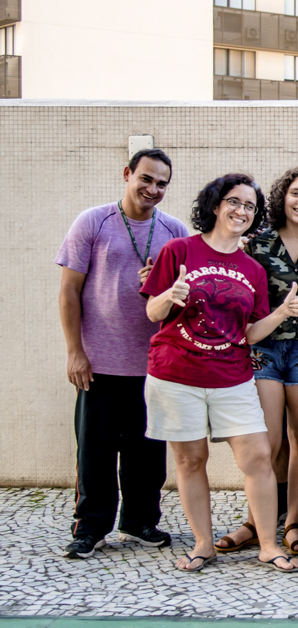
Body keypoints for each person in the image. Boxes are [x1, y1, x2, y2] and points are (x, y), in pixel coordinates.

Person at [140, 173, 298, 573]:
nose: (241, 211)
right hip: (176, 373)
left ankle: (268, 544)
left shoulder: (252, 269)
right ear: (216, 205)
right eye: (234, 202)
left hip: (231, 374)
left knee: (257, 456)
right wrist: (170, 295)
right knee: (190, 460)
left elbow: (249, 333)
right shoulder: (178, 251)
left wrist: (281, 314)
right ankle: (204, 544)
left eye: (250, 206)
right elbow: (152, 313)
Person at [56, 148, 188, 559]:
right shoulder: (93, 221)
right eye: (145, 179)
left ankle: (140, 521)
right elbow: (68, 292)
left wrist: (162, 285)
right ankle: (90, 527)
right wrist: (75, 351)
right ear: (127, 174)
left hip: (155, 365)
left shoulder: (174, 231)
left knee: (148, 453)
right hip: (99, 364)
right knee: (94, 451)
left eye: (161, 183)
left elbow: (185, 300)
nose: (152, 188)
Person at [226, 166, 298, 558]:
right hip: (264, 350)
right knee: (267, 443)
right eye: (296, 193)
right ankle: (255, 521)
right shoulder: (256, 242)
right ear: (282, 197)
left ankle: (292, 521)